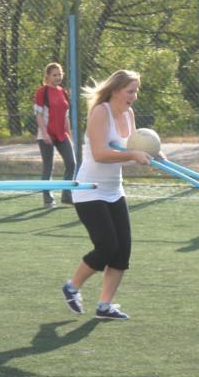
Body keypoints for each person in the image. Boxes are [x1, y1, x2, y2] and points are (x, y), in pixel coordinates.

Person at [60, 69, 152, 320]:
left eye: (136, 91)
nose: (134, 96)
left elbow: (132, 149)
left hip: (114, 189)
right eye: (130, 91)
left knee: (122, 252)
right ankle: (72, 287)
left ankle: (104, 306)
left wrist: (150, 154)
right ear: (115, 90)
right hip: (89, 190)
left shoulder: (129, 114)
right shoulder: (100, 112)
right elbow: (100, 154)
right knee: (107, 247)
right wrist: (132, 154)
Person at [34, 63, 76, 208]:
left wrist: (69, 135)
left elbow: (66, 116)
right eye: (54, 75)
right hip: (46, 135)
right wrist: (45, 134)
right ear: (47, 76)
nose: (58, 77)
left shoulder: (63, 92)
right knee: (48, 166)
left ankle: (66, 195)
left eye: (59, 74)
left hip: (61, 135)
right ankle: (48, 199)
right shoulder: (42, 92)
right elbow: (39, 115)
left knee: (71, 163)